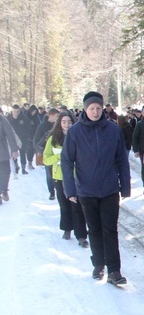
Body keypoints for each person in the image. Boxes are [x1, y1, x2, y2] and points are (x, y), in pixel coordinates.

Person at [61, 91, 131, 285]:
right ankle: (98, 264)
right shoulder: (75, 132)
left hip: (109, 189)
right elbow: (67, 161)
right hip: (86, 190)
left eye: (99, 108)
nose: (95, 111)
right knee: (94, 229)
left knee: (110, 229)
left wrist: (125, 186)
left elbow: (122, 160)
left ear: (103, 109)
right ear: (85, 109)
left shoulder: (113, 130)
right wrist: (70, 189)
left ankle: (114, 271)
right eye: (91, 108)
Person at [44, 111, 88, 247]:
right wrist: (60, 157)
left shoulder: (78, 136)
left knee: (78, 206)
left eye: (69, 122)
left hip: (76, 176)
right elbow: (46, 158)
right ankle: (67, 228)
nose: (67, 125)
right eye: (64, 122)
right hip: (60, 176)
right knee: (64, 204)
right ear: (59, 123)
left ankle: (81, 235)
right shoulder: (53, 138)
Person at [34, 107, 59, 200]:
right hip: (48, 155)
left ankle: (60, 190)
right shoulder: (42, 126)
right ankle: (51, 192)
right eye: (57, 116)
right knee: (49, 175)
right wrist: (43, 152)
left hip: (58, 154)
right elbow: (36, 142)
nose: (58, 118)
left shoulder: (59, 125)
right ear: (51, 115)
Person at [7, 104, 35, 174]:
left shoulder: (24, 118)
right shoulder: (8, 118)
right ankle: (16, 166)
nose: (15, 113)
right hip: (13, 139)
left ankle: (23, 168)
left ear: (19, 111)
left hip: (23, 139)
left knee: (23, 153)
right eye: (14, 111)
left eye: (17, 111)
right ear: (12, 111)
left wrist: (28, 136)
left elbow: (29, 127)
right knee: (13, 153)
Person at [0, 113, 20, 205]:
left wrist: (14, 150)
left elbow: (10, 134)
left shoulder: (1, 119)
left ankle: (3, 189)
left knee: (5, 172)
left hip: (2, 152)